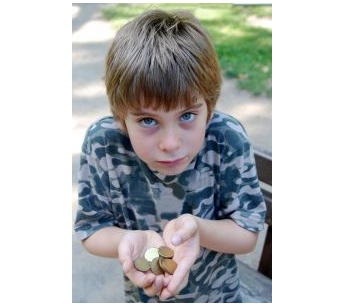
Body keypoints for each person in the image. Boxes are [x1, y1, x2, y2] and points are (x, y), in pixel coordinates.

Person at [74, 9, 266, 303]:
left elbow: (247, 232)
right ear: (121, 119)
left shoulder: (226, 138)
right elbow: (92, 228)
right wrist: (128, 239)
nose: (170, 143)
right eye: (148, 121)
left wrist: (198, 230)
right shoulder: (104, 144)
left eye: (187, 115)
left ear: (209, 110)